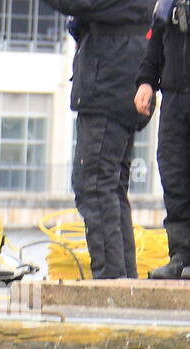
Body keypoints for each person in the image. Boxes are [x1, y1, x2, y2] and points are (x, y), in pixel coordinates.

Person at [40, 0, 152, 279]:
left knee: (95, 184)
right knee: (111, 187)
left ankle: (111, 280)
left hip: (109, 84)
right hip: (121, 78)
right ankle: (123, 280)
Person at [137, 0, 190, 278]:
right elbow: (156, 36)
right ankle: (181, 256)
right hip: (174, 97)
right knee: (174, 176)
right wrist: (146, 80)